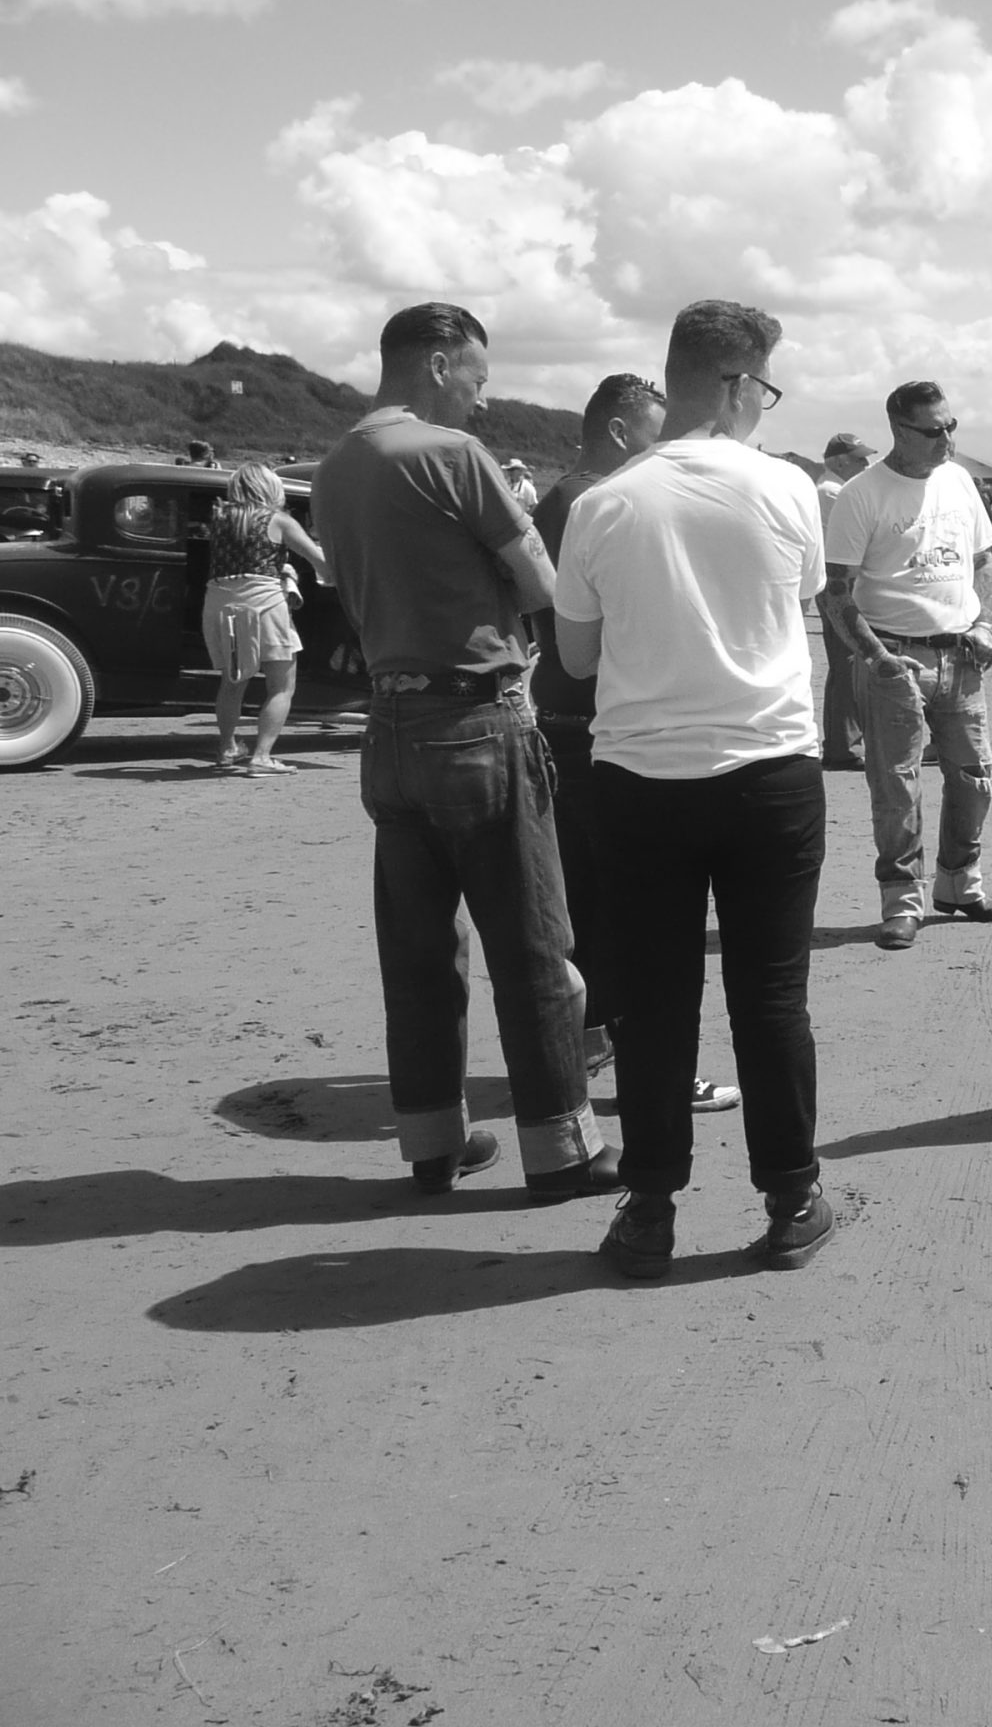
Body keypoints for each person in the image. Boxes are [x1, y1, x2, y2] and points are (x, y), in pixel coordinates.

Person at [309, 301, 619, 1203]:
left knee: (417, 953)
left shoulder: (335, 466)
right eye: (478, 379)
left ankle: (432, 1143)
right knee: (533, 948)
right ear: (439, 363)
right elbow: (544, 585)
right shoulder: (450, 454)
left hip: (389, 725)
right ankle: (561, 1151)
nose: (483, 399)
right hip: (478, 721)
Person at [553, 299, 834, 1278]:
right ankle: (791, 1198)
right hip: (770, 770)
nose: (767, 405)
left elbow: (576, 658)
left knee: (653, 1001)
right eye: (768, 388)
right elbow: (801, 599)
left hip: (641, 778)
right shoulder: (787, 488)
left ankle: (650, 1210)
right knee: (772, 997)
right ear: (735, 385)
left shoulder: (604, 502)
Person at [530, 374, 742, 1118]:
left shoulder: (569, 499)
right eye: (657, 433)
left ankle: (597, 1046)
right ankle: (654, 1070)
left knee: (593, 906)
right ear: (620, 432)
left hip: (570, 719)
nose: (667, 450)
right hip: (595, 727)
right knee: (632, 917)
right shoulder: (591, 500)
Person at [822, 379, 992, 952]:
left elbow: (983, 561)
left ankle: (960, 883)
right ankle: (903, 900)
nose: (946, 440)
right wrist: (875, 657)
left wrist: (986, 624)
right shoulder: (862, 494)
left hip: (962, 654)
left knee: (975, 777)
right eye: (932, 431)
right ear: (898, 430)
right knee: (897, 787)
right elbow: (835, 590)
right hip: (895, 658)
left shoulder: (958, 480)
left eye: (951, 426)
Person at [201, 463, 330, 774]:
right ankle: (261, 756)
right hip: (263, 604)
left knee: (233, 681)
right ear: (270, 487)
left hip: (220, 603)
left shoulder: (220, 519)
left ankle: (227, 748)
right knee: (281, 685)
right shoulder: (279, 521)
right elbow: (320, 562)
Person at [814, 433, 874, 772]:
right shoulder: (832, 492)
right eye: (858, 459)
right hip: (840, 586)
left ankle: (844, 743)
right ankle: (843, 746)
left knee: (847, 662)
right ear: (839, 461)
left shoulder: (833, 489)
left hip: (840, 583)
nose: (865, 465)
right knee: (848, 663)